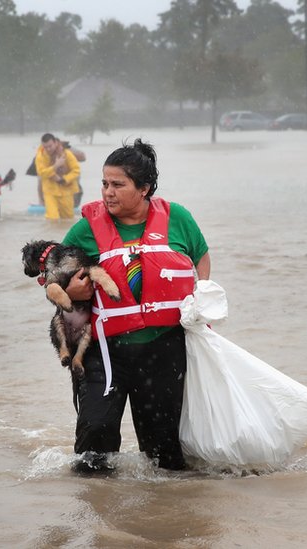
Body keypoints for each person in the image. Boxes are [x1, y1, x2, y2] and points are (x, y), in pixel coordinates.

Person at [56, 138, 211, 473]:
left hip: (163, 349)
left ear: (144, 189)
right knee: (94, 440)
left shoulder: (177, 218)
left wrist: (200, 301)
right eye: (104, 184)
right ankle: (96, 512)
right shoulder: (86, 229)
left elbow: (201, 257)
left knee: (164, 454)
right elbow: (55, 277)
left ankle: (161, 516)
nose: (107, 192)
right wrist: (75, 291)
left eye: (117, 184)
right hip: (105, 351)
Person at [34, 133, 80, 220]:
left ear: (55, 142)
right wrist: (55, 166)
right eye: (45, 147)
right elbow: (41, 173)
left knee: (68, 219)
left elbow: (76, 170)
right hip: (50, 192)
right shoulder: (40, 156)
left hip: (67, 191)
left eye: (50, 146)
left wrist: (63, 180)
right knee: (52, 218)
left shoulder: (66, 154)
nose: (48, 149)